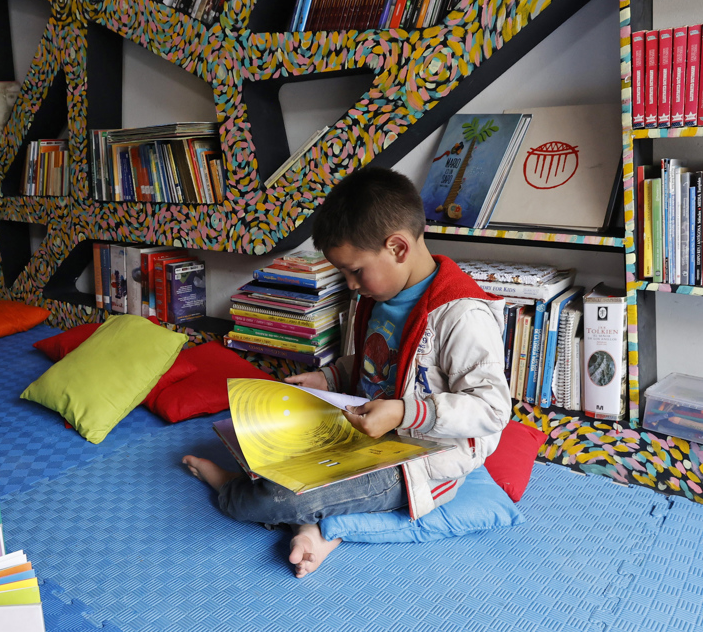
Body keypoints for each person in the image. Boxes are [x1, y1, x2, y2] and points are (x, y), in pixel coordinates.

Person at [183, 167, 511, 578]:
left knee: (275, 495)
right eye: (343, 272)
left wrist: (403, 413)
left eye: (355, 270)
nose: (351, 284)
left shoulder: (462, 316)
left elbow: (492, 408)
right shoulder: (379, 294)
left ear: (398, 248)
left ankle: (234, 490)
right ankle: (317, 529)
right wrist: (330, 379)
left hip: (417, 461)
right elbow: (373, 364)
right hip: (361, 430)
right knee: (262, 435)